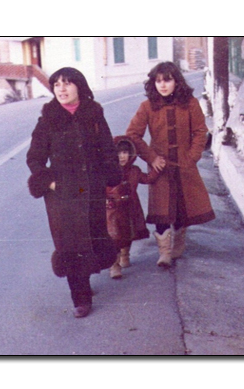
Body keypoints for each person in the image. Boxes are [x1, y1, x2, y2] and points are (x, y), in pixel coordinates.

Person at [26, 67, 122, 318]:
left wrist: (108, 178)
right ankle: (80, 298)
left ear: (79, 86)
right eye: (56, 84)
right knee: (69, 244)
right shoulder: (48, 119)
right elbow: (34, 158)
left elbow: (108, 150)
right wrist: (51, 182)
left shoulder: (94, 115)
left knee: (91, 237)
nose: (61, 89)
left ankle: (85, 284)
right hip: (62, 196)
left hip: (90, 190)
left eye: (67, 84)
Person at [125, 61, 215, 268]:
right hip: (160, 167)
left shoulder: (190, 103)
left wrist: (192, 156)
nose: (163, 85)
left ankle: (178, 244)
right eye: (158, 81)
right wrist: (151, 158)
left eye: (167, 80)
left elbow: (201, 131)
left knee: (183, 207)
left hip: (184, 164)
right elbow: (133, 135)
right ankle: (164, 253)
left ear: (177, 81)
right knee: (162, 209)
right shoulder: (147, 107)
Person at [106, 136, 159, 278]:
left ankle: (125, 255)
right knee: (115, 236)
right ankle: (114, 265)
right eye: (118, 153)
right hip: (113, 209)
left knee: (129, 232)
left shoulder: (134, 171)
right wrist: (105, 200)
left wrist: (157, 168)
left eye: (125, 153)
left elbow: (147, 179)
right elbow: (100, 188)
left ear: (131, 154)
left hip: (131, 207)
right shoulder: (108, 171)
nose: (122, 156)